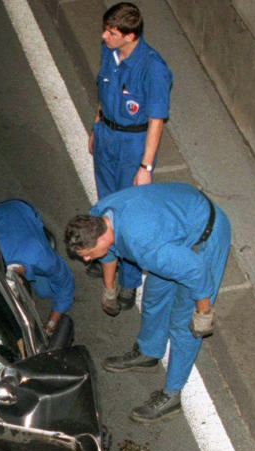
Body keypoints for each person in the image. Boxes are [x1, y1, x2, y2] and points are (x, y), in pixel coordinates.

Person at [64, 182, 229, 422]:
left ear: (102, 236)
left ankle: (172, 396)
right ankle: (149, 352)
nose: (87, 259)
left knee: (183, 325)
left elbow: (196, 272)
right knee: (154, 297)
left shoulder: (144, 246)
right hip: (173, 225)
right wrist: (109, 289)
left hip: (203, 239)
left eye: (88, 253)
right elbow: (108, 253)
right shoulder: (99, 216)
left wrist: (203, 313)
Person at [88, 2, 172, 313]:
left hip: (133, 143)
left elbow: (156, 120)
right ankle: (106, 255)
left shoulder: (153, 69)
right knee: (106, 206)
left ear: (130, 35)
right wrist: (96, 125)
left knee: (131, 214)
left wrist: (145, 166)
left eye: (111, 32)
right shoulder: (109, 53)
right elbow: (103, 89)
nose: (104, 35)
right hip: (108, 136)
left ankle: (130, 280)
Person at [0, 199, 75, 333]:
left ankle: (39, 232)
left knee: (45, 291)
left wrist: (51, 324)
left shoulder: (40, 257)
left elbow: (66, 282)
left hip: (21, 209)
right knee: (43, 290)